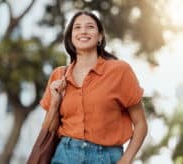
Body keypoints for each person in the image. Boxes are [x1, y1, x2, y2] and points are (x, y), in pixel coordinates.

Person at [40, 10, 148, 164]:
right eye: (77, 27)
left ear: (100, 36)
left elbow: (141, 124)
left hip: (106, 157)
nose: (83, 31)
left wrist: (126, 160)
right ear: (71, 37)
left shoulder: (120, 71)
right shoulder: (58, 75)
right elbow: (47, 130)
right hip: (65, 155)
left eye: (90, 26)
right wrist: (54, 104)